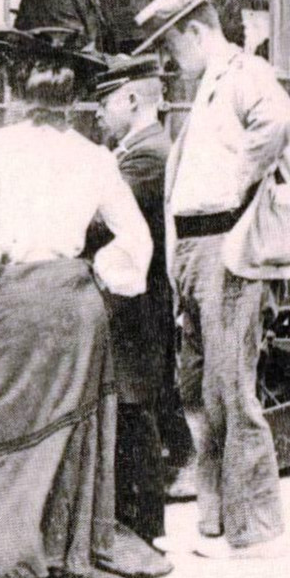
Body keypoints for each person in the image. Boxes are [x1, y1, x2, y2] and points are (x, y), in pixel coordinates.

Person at [0, 31, 170, 578]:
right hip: (75, 304)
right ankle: (57, 571)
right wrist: (99, 277)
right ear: (74, 95)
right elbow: (137, 242)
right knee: (69, 437)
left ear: (17, 89)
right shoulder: (95, 157)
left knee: (4, 437)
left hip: (17, 300)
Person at [140, 0, 290, 559]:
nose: (167, 62)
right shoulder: (213, 82)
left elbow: (281, 120)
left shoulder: (241, 75)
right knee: (204, 390)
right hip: (198, 253)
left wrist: (239, 190)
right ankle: (217, 522)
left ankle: (254, 527)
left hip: (226, 252)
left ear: (195, 32)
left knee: (231, 390)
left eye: (170, 48)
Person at [92, 55, 190, 544]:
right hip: (133, 299)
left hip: (138, 304)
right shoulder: (135, 148)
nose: (98, 114)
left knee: (136, 406)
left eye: (104, 102)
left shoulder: (147, 154)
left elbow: (96, 219)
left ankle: (145, 525)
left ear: (131, 99)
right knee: (133, 405)